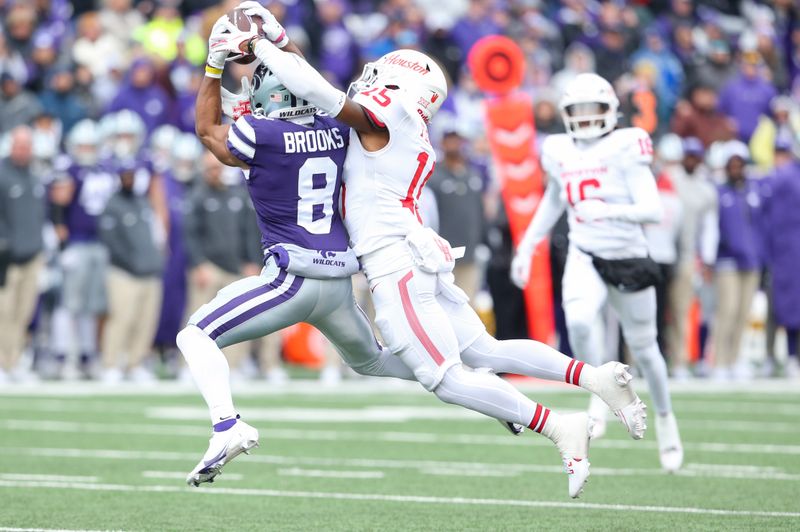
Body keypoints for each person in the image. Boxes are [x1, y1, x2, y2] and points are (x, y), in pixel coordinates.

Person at [213, 9, 647, 499]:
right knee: (484, 351)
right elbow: (311, 83)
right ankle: (596, 377)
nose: (367, 79)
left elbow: (313, 90)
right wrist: (279, 37)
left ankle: (555, 425)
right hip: (416, 251)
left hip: (395, 263)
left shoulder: (382, 121)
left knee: (442, 377)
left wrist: (262, 47)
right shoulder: (400, 124)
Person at [180, 9, 418, 488]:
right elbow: (309, 85)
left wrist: (211, 67)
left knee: (194, 336)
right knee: (374, 360)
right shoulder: (339, 128)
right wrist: (282, 40)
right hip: (339, 281)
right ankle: (466, 378)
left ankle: (227, 425)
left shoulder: (258, 134)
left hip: (291, 279)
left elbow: (208, 131)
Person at [509, 73, 683, 472]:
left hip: (627, 254)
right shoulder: (557, 149)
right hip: (584, 251)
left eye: (593, 109)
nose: (586, 118)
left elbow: (652, 209)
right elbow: (555, 199)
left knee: (645, 349)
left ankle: (666, 418)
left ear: (611, 111)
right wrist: (527, 245)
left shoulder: (626, 146)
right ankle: (599, 394)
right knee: (581, 321)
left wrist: (609, 210)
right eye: (578, 110)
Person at [49, 119, 117, 379]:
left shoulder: (104, 168)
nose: (88, 150)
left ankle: (88, 356)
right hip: (76, 243)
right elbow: (57, 203)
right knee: (70, 303)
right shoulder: (68, 169)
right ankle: (63, 356)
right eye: (83, 145)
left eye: (91, 145)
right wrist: (61, 238)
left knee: (92, 304)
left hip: (99, 243)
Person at [97, 160, 164, 383]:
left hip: (149, 271)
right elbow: (111, 242)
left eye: (131, 174)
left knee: (145, 322)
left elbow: (153, 235)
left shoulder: (142, 201)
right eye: (125, 175)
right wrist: (132, 264)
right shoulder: (112, 204)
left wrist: (155, 261)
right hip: (123, 273)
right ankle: (111, 364)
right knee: (121, 320)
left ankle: (135, 364)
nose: (129, 178)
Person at [710, 141, 765, 380]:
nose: (735, 168)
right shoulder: (719, 193)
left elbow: (762, 227)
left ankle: (735, 360)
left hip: (751, 261)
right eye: (731, 164)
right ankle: (719, 362)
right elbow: (712, 229)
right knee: (727, 311)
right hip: (727, 260)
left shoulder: (754, 192)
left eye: (739, 163)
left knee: (743, 313)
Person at [668, 137, 718, 379]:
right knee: (653, 311)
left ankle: (678, 361)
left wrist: (707, 259)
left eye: (694, 156)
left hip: (686, 256)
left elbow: (709, 228)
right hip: (659, 254)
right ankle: (640, 361)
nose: (691, 160)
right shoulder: (670, 179)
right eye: (688, 155)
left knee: (681, 310)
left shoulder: (705, 189)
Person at [0, 126, 46, 382]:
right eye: (19, 146)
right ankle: (2, 363)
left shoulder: (34, 174)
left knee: (23, 313)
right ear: (11, 146)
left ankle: (13, 361)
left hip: (32, 253)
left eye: (27, 147)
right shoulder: (2, 173)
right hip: (6, 257)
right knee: (3, 312)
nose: (23, 151)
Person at [762, 137, 800, 378]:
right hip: (778, 253)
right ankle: (775, 356)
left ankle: (789, 357)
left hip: (788, 253)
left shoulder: (785, 177)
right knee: (775, 308)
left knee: (787, 307)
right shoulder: (780, 178)